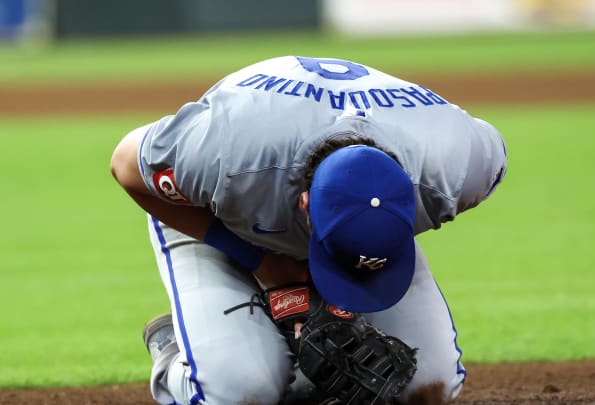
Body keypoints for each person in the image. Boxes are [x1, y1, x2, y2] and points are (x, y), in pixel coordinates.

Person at [110, 56, 507, 405]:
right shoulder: (227, 155)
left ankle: (299, 363)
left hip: (358, 223)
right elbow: (126, 165)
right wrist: (264, 262)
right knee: (238, 394)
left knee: (428, 388)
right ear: (305, 208)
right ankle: (174, 348)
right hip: (216, 212)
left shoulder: (459, 165)